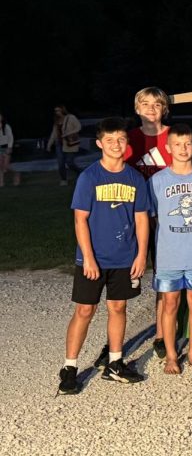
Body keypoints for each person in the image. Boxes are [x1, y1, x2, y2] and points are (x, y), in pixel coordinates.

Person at [57, 118, 151, 394]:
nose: (116, 145)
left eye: (121, 139)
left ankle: (114, 363)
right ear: (99, 144)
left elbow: (142, 218)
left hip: (124, 257)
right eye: (110, 140)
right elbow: (80, 221)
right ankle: (70, 367)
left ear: (127, 143)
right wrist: (87, 257)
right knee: (85, 310)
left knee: (118, 307)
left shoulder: (135, 178)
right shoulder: (90, 177)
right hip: (93, 258)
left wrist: (141, 255)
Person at [149, 124, 192, 375]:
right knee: (170, 304)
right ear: (168, 148)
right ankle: (170, 355)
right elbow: (154, 219)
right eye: (177, 144)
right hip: (169, 256)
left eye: (188, 143)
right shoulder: (157, 181)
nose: (183, 149)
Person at [127, 86, 173, 357]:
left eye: (157, 105)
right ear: (137, 108)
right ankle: (116, 342)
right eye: (145, 104)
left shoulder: (172, 136)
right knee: (126, 276)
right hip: (135, 214)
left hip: (166, 215)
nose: (151, 109)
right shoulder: (130, 139)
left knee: (163, 275)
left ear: (164, 109)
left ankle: (160, 333)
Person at [48, 104, 83, 185]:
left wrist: (67, 133)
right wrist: (49, 144)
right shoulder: (56, 120)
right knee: (60, 163)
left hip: (69, 143)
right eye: (55, 111)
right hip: (59, 144)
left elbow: (78, 127)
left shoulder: (71, 117)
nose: (57, 112)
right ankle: (63, 180)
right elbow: (54, 133)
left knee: (70, 162)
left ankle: (81, 173)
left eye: (58, 110)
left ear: (63, 110)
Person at [0, 111, 18, 187]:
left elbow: (10, 137)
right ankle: (1, 182)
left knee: (6, 167)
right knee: (0, 166)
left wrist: (10, 147)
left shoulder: (6, 126)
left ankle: (16, 174)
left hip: (6, 147)